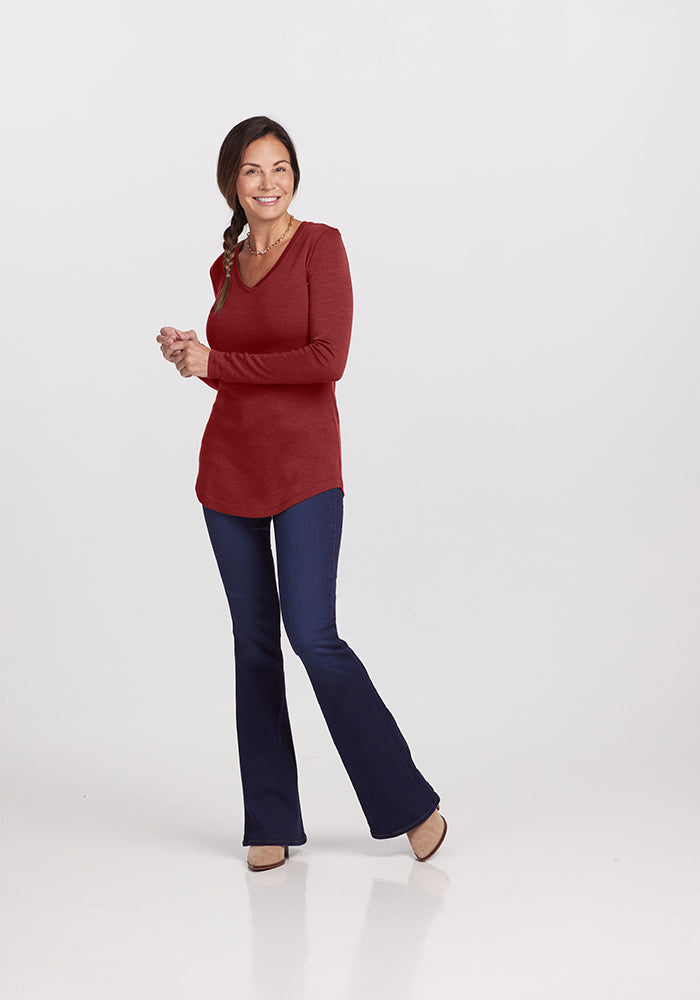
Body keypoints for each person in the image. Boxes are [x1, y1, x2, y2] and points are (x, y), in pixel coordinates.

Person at [156, 116, 447, 872]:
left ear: (295, 176)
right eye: (252, 170)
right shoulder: (224, 267)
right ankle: (270, 820)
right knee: (253, 644)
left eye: (280, 168)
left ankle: (410, 805)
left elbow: (326, 360)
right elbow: (237, 373)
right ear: (232, 183)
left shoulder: (322, 246)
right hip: (228, 471)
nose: (268, 183)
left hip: (306, 472)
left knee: (313, 636)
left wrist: (221, 361)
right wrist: (194, 358)